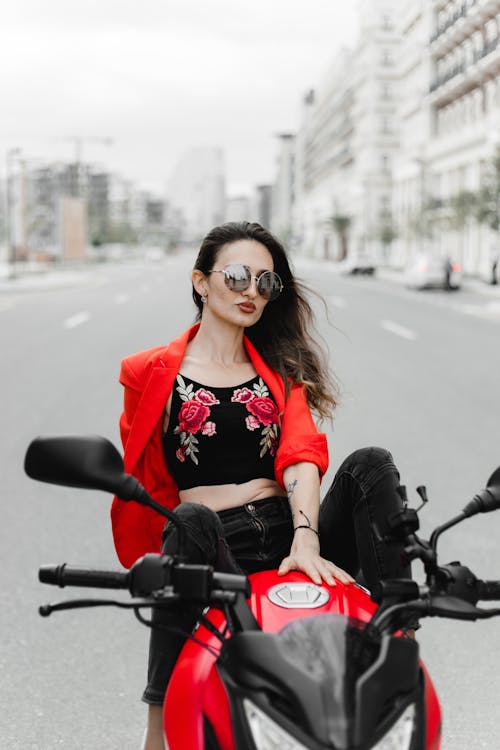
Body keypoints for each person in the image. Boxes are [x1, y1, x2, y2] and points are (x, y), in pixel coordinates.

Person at [110, 221, 412, 750]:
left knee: (371, 464)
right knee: (190, 519)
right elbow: (149, 481)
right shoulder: (148, 372)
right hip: (215, 544)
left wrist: (306, 535)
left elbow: (300, 452)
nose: (252, 291)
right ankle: (158, 726)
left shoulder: (279, 369)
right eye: (238, 276)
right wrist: (156, 557)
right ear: (202, 281)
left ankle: (397, 644)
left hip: (290, 533)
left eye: (266, 283)